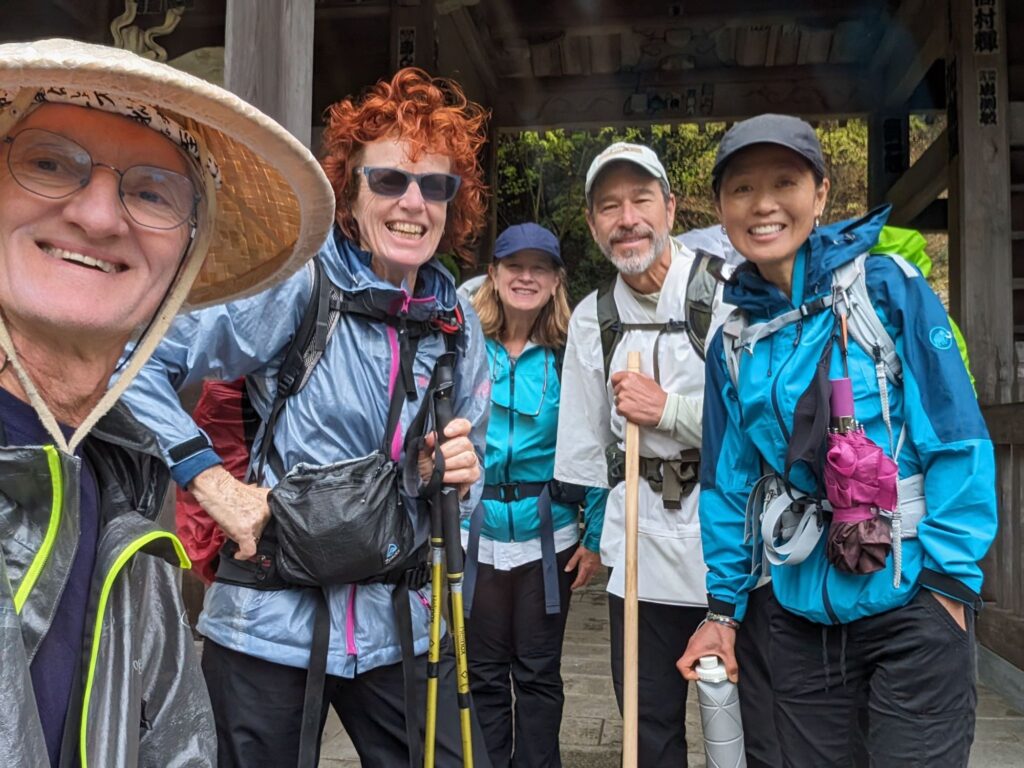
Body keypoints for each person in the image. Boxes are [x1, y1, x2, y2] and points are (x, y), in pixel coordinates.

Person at [121, 68, 493, 767]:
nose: (413, 202)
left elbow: (468, 470)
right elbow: (134, 358)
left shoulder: (456, 323)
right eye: (389, 181)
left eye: (435, 186)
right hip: (271, 621)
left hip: (402, 625)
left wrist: (454, 475)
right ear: (350, 193)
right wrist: (208, 480)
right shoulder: (298, 282)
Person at [0, 38, 335, 766]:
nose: (97, 215)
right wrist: (210, 477)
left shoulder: (116, 478)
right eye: (49, 162)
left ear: (188, 253)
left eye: (151, 190)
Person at [677, 114, 996, 767]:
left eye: (785, 182)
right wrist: (724, 609)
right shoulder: (733, 340)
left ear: (820, 194)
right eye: (741, 189)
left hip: (911, 600)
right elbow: (728, 484)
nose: (763, 204)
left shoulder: (886, 290)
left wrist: (947, 584)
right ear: (721, 208)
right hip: (800, 616)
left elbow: (957, 437)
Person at [554, 142, 728, 766]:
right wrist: (591, 535)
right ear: (594, 223)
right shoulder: (592, 318)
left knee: (742, 714)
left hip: (727, 540)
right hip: (639, 546)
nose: (626, 218)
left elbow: (770, 430)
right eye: (608, 206)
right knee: (647, 723)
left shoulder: (727, 295)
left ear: (671, 207)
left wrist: (669, 412)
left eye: (640, 200)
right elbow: (583, 449)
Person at [463, 222, 606, 768]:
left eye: (539, 267)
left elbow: (593, 444)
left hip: (550, 538)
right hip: (475, 534)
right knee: (482, 676)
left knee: (540, 674)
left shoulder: (571, 353)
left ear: (555, 280)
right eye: (514, 266)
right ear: (494, 274)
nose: (526, 276)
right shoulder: (463, 342)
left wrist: (592, 536)